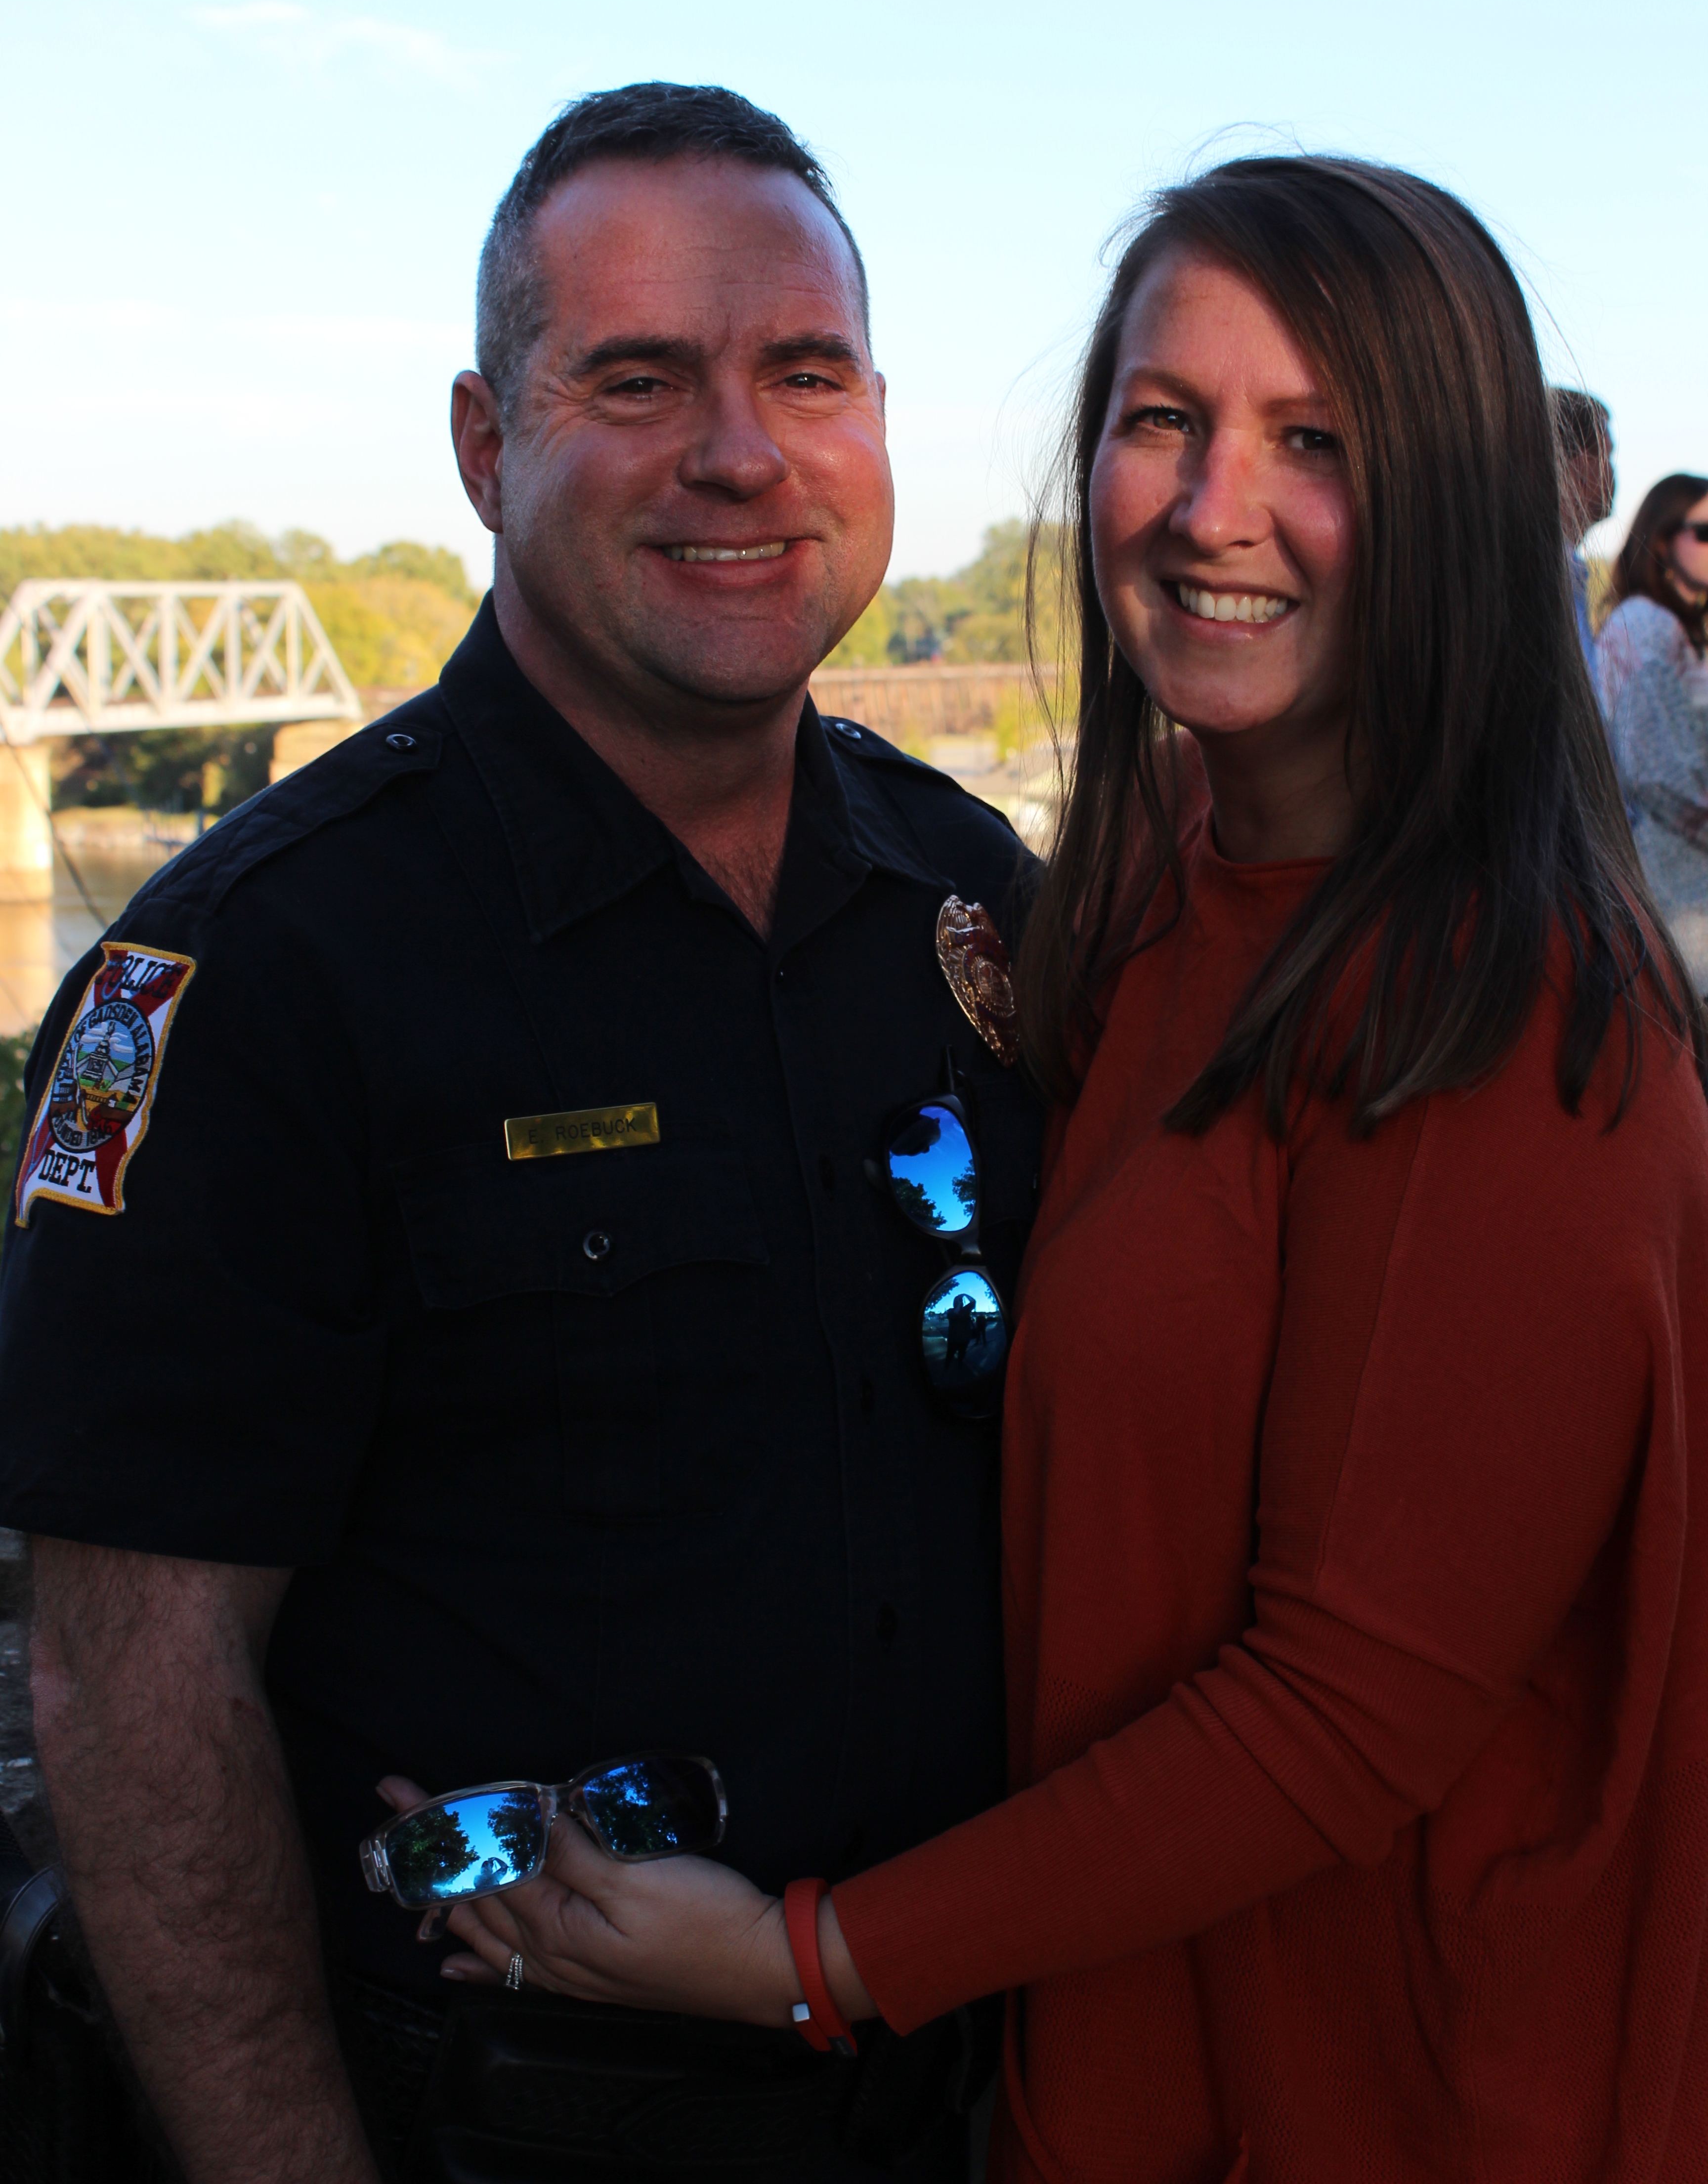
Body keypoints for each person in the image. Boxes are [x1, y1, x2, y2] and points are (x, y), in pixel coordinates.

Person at [437, 157, 1708, 2184]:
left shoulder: (1514, 1006)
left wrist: (806, 1957)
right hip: (1112, 2069)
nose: (1213, 508)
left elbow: (1346, 1709)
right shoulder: (1131, 899)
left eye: (1319, 442)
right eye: (1162, 420)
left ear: (1465, 504)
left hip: (1399, 2092)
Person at [0, 83, 1043, 2183]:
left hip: (972, 2090)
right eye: (635, 380)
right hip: (512, 2126)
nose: (738, 451)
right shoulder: (258, 968)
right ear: (486, 446)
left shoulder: (968, 901)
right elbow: (137, 1684)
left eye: (804, 374)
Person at [1596, 471, 1708, 988]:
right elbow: (1659, 775)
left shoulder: (1664, 625)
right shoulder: (1646, 626)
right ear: (1663, 541)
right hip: (1681, 905)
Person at [1551, 385, 1615, 687]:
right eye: (1607, 455)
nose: (1612, 473)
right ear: (1578, 466)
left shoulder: (1565, 572)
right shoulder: (1543, 578)